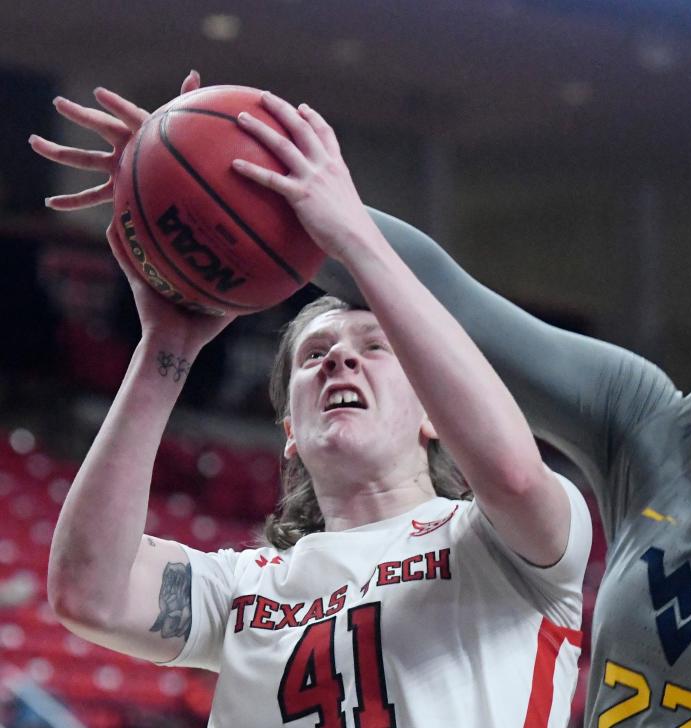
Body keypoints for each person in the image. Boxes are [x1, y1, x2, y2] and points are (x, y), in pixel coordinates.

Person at [32, 0, 691, 723]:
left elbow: (502, 446)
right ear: (283, 432)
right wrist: (206, 163)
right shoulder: (659, 434)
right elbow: (448, 291)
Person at [37, 87, 591, 727]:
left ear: (432, 413)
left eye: (373, 347)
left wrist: (351, 233)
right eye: (314, 354)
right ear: (290, 432)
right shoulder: (250, 586)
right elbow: (89, 593)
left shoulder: (498, 545)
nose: (338, 360)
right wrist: (166, 347)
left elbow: (514, 475)